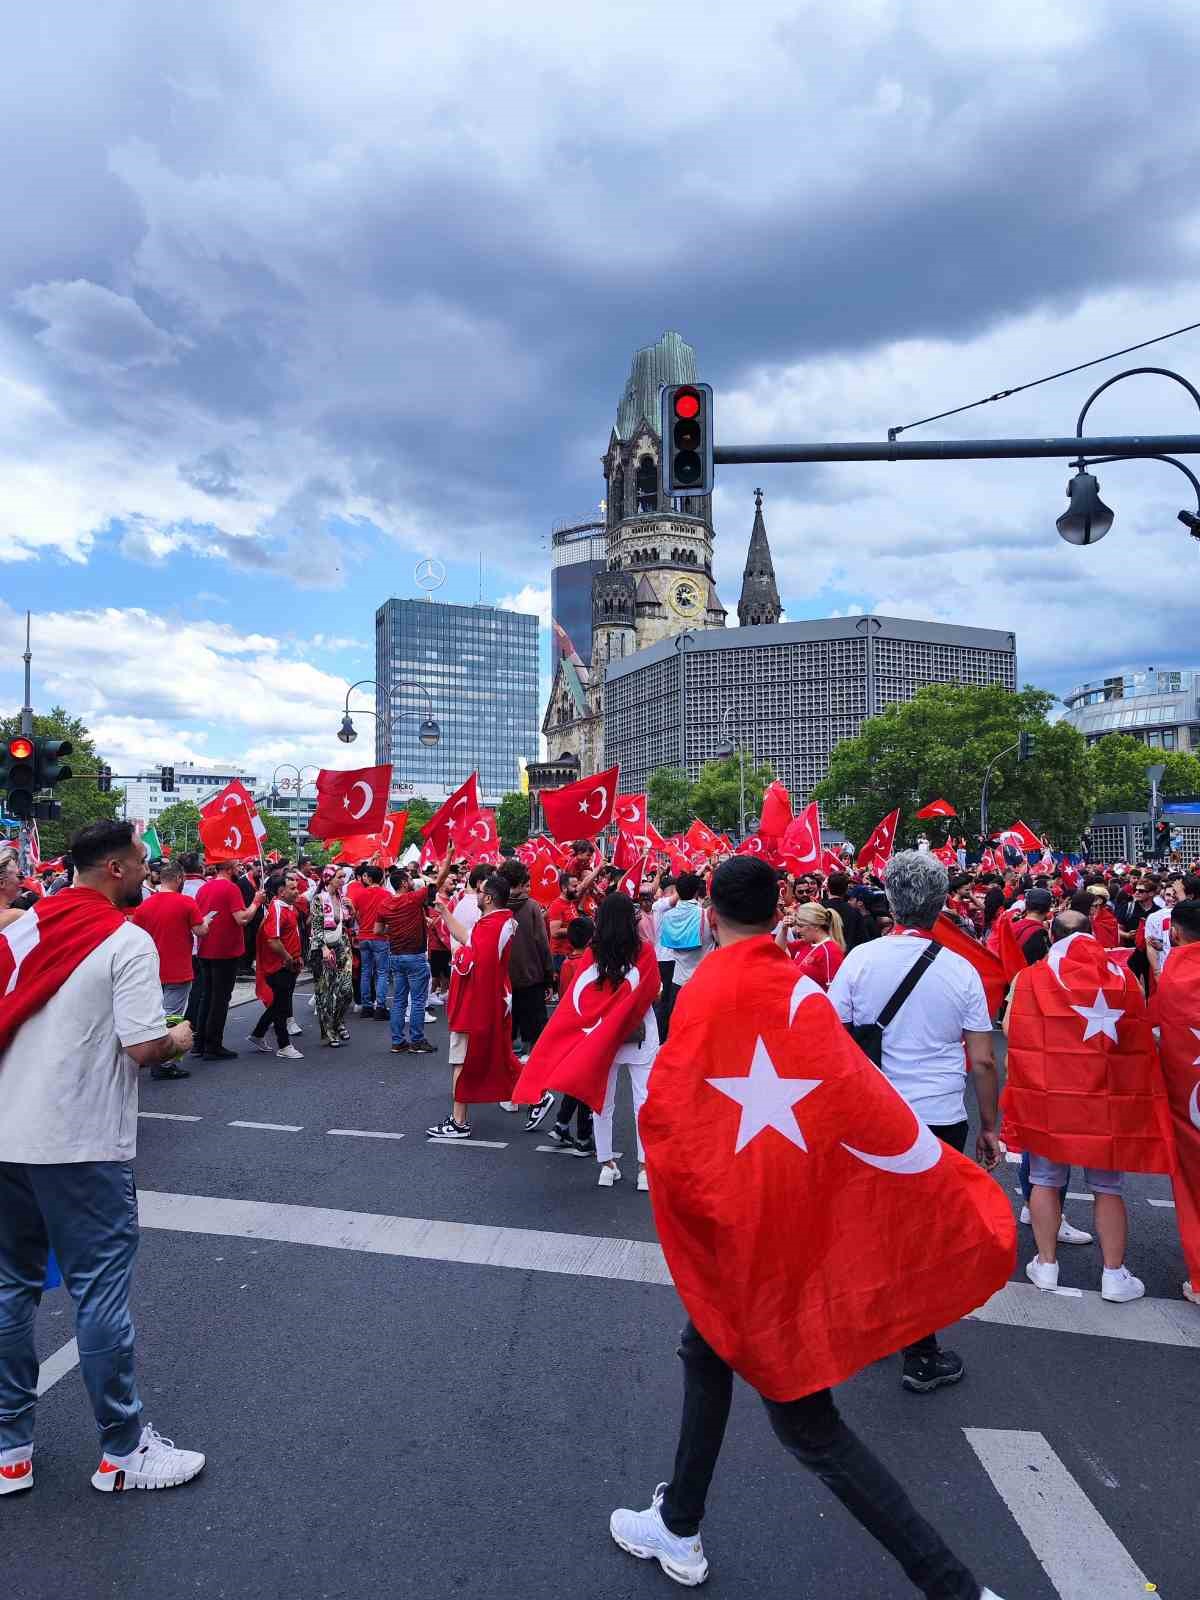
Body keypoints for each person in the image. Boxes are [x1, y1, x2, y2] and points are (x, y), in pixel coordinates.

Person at [612, 857, 1011, 1599]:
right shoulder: (802, 990)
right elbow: (857, 1102)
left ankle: (956, 1588)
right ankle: (680, 1520)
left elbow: (669, 1115)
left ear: (709, 917)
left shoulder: (704, 992)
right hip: (790, 1213)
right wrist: (931, 1166)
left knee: (810, 1426)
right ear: (778, 912)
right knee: (703, 1346)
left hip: (747, 1227)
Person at [0, 820, 204, 1495]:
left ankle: (10, 1451)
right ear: (114, 868)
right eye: (143, 862)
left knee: (9, 1291)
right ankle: (122, 1451)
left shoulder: (21, 928)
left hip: (6, 1137)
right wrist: (179, 1033)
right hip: (82, 1144)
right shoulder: (127, 940)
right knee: (98, 1295)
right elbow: (143, 1046)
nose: (149, 871)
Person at [828, 852, 1000, 1393]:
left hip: (874, 1116)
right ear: (941, 903)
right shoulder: (961, 969)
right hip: (940, 1117)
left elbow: (832, 1038)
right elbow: (984, 1060)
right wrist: (990, 1125)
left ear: (891, 899)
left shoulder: (859, 961)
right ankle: (920, 1353)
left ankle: (875, 1327)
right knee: (924, 1235)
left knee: (875, 1220)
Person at [1004, 911, 1170, 1303]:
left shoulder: (1031, 977)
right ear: (1092, 935)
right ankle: (1114, 1274)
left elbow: (1012, 1032)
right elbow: (1136, 1039)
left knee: (1045, 1180)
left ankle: (1046, 1265)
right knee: (1108, 1187)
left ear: (1051, 934)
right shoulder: (1123, 978)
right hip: (1104, 1100)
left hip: (1050, 1097)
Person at [427, 874, 521, 1141]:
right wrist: (445, 912)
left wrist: (459, 957)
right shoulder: (499, 921)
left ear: (489, 898)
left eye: (479, 892)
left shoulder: (492, 925)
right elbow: (469, 938)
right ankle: (536, 1095)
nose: (475, 895)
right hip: (486, 1002)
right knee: (495, 1059)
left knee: (461, 1061)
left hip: (474, 1004)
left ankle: (459, 1122)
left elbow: (476, 963)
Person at [591, 893, 661, 1192]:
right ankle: (645, 1169)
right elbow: (655, 991)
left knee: (602, 1102)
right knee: (643, 1101)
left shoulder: (593, 953)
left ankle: (606, 1164)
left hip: (604, 1034)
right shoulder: (643, 950)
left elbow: (580, 997)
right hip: (640, 1030)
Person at [1155, 897, 1200, 1303]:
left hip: (1189, 1100)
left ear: (1175, 932)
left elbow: (1156, 1025)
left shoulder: (1173, 974)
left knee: (1192, 1183)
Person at [130, 862, 215, 1079]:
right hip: (178, 968)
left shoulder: (145, 906)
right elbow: (201, 932)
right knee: (172, 1016)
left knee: (152, 1015)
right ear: (178, 879)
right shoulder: (186, 903)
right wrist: (206, 920)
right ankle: (165, 1062)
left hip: (151, 969)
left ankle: (148, 1055)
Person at [194, 860, 263, 1061]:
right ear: (229, 869)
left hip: (206, 948)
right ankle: (212, 1044)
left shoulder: (204, 887)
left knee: (207, 996)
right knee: (220, 999)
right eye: (237, 865)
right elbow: (241, 918)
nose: (240, 868)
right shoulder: (231, 888)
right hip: (225, 950)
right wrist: (256, 902)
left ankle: (200, 1043)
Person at [545, 914, 597, 1156]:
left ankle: (562, 1123)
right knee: (587, 1084)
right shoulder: (587, 966)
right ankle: (584, 1136)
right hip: (587, 1030)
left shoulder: (567, 963)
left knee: (576, 1080)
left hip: (571, 1028)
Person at [498, 858, 555, 1068]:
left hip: (502, 980)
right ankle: (530, 1072)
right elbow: (542, 943)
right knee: (533, 1029)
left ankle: (506, 1066)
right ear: (522, 882)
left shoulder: (495, 906)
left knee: (507, 1027)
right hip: (532, 978)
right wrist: (549, 977)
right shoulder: (532, 907)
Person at [247, 872, 304, 1060]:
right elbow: (273, 940)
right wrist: (288, 958)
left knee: (279, 1004)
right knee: (281, 1006)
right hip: (279, 966)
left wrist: (297, 956)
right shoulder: (277, 910)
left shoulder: (288, 908)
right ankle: (284, 1045)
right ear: (281, 891)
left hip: (288, 964)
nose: (297, 892)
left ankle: (257, 1034)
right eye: (292, 888)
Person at [382, 868, 436, 1055]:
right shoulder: (413, 899)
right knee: (418, 1001)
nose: (412, 880)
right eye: (409, 879)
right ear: (404, 883)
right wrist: (449, 856)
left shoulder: (386, 903)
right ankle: (417, 1041)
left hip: (395, 955)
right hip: (414, 956)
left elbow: (378, 930)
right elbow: (439, 879)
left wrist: (397, 930)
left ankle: (397, 1041)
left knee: (399, 1001)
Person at [309, 866, 354, 1048]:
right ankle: (329, 1032)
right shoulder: (319, 899)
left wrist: (353, 909)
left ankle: (337, 1022)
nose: (343, 880)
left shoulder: (343, 898)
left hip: (342, 945)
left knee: (346, 990)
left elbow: (348, 922)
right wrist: (324, 948)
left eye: (344, 877)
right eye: (340, 877)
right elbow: (317, 927)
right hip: (323, 947)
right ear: (328, 879)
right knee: (325, 994)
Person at [352, 864, 392, 1020]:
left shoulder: (359, 894)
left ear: (368, 878)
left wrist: (363, 925)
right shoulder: (386, 894)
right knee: (382, 973)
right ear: (381, 878)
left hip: (364, 936)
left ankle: (366, 1006)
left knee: (366, 972)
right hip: (380, 937)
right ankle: (380, 1007)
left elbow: (355, 914)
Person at [776, 901, 845, 989]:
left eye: (801, 926)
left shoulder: (831, 951)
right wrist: (784, 929)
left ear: (815, 926)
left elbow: (835, 990)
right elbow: (778, 951)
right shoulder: (805, 943)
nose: (797, 931)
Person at [823, 871, 873, 951]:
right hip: (848, 956)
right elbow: (863, 939)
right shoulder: (854, 911)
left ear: (828, 888)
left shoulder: (819, 909)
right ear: (846, 889)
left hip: (826, 955)